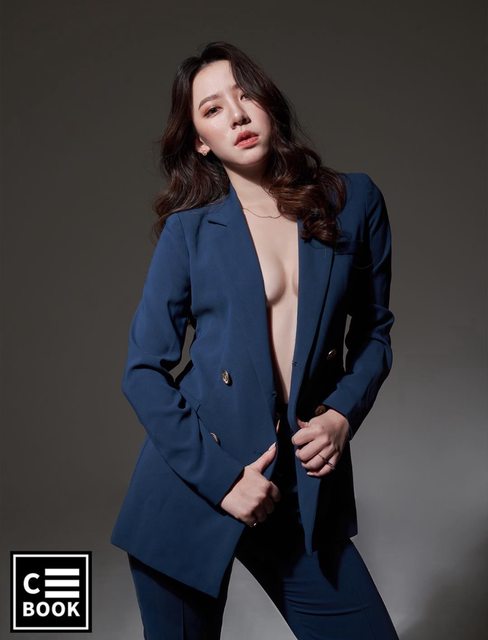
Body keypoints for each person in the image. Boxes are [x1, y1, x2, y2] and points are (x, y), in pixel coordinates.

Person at [111, 40, 400, 639]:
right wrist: (223, 482)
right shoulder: (190, 232)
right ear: (199, 140)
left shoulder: (352, 202)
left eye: (245, 96)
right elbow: (142, 372)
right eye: (212, 109)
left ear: (269, 103)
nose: (237, 116)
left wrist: (342, 414)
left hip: (296, 489)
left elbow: (375, 332)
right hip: (194, 482)